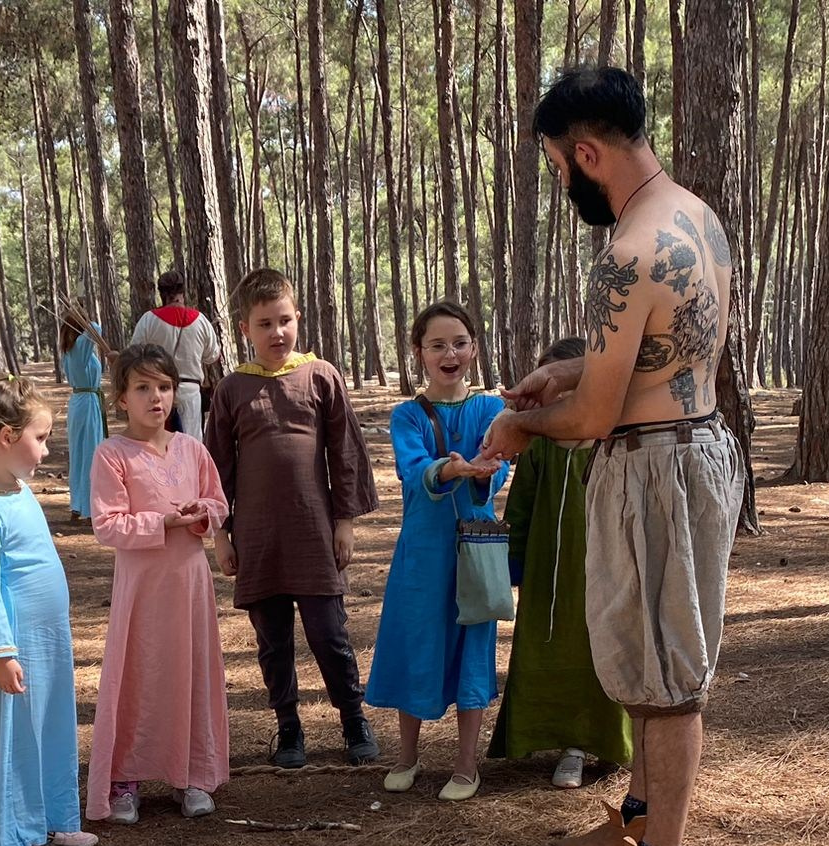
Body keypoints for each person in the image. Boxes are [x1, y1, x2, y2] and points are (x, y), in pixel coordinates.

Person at [480, 64, 745, 846]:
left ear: (586, 152)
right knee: (648, 656)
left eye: (559, 168)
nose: (562, 183)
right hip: (693, 443)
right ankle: (637, 813)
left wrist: (522, 425)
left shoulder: (626, 253)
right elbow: (659, 357)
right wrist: (562, 373)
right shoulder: (695, 218)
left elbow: (595, 419)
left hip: (655, 469)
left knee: (666, 677)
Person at [206, 267, 380, 769]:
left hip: (313, 531)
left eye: (284, 320)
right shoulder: (232, 389)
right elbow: (218, 467)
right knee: (272, 641)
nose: (276, 332)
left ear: (297, 317)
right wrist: (222, 535)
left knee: (330, 634)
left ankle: (353, 720)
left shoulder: (320, 376)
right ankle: (288, 729)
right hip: (258, 537)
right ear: (245, 329)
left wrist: (343, 521)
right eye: (264, 324)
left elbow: (344, 452)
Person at [0, 375, 101, 846]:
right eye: (41, 437)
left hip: (48, 642)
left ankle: (54, 819)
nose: (47, 447)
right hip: (12, 650)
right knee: (15, 740)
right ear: (5, 437)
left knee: (51, 727)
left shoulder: (21, 493)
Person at [369, 301, 510, 801]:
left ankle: (466, 765)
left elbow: (495, 470)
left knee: (473, 647)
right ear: (419, 353)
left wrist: (480, 471)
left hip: (476, 549)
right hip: (422, 554)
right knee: (415, 643)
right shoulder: (406, 414)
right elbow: (414, 472)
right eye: (437, 345)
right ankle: (407, 756)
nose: (449, 353)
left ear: (473, 348)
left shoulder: (492, 410)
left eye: (459, 342)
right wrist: (452, 468)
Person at [86, 344, 232, 825]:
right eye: (143, 387)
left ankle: (191, 773)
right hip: (143, 590)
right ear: (122, 398)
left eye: (165, 387)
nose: (157, 398)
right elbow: (108, 525)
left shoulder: (192, 448)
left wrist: (200, 514)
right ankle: (125, 779)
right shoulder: (112, 454)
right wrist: (163, 522)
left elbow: (218, 504)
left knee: (189, 671)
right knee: (139, 676)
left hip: (189, 585)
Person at [487, 337, 634, 788]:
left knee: (600, 653)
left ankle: (589, 743)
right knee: (549, 650)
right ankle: (544, 735)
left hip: (605, 571)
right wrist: (511, 566)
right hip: (548, 572)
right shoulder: (542, 448)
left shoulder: (614, 443)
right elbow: (522, 507)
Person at [130, 270, 225, 438]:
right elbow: (213, 355)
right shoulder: (200, 320)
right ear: (183, 292)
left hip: (158, 393)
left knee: (160, 445)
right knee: (192, 445)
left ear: (161, 293)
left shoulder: (149, 320)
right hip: (190, 393)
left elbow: (134, 355)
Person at [59, 305, 113, 523]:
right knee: (91, 454)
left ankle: (78, 505)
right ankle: (90, 507)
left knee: (80, 454)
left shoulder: (70, 350)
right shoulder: (80, 347)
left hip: (79, 403)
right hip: (87, 403)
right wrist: (82, 315)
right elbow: (96, 328)